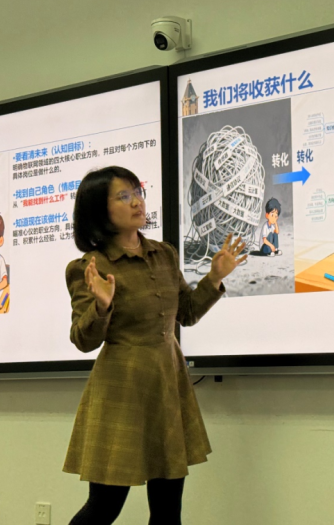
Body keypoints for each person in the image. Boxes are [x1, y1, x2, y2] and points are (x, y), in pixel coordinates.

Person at [65, 166, 246, 525]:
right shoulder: (89, 266)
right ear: (100, 210)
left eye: (138, 192)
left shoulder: (164, 254)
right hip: (122, 391)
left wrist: (213, 278)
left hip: (167, 386)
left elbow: (187, 313)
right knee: (104, 507)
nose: (137, 202)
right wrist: (102, 305)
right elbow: (83, 340)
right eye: (124, 196)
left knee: (167, 511)